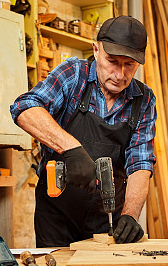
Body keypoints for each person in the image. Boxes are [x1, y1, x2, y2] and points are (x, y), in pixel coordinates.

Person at [10, 15, 157, 249]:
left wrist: (130, 215)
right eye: (112, 61)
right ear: (96, 50)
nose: (120, 75)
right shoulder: (73, 75)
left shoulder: (144, 100)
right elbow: (24, 108)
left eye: (129, 65)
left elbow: (140, 163)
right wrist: (71, 149)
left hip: (106, 218)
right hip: (57, 216)